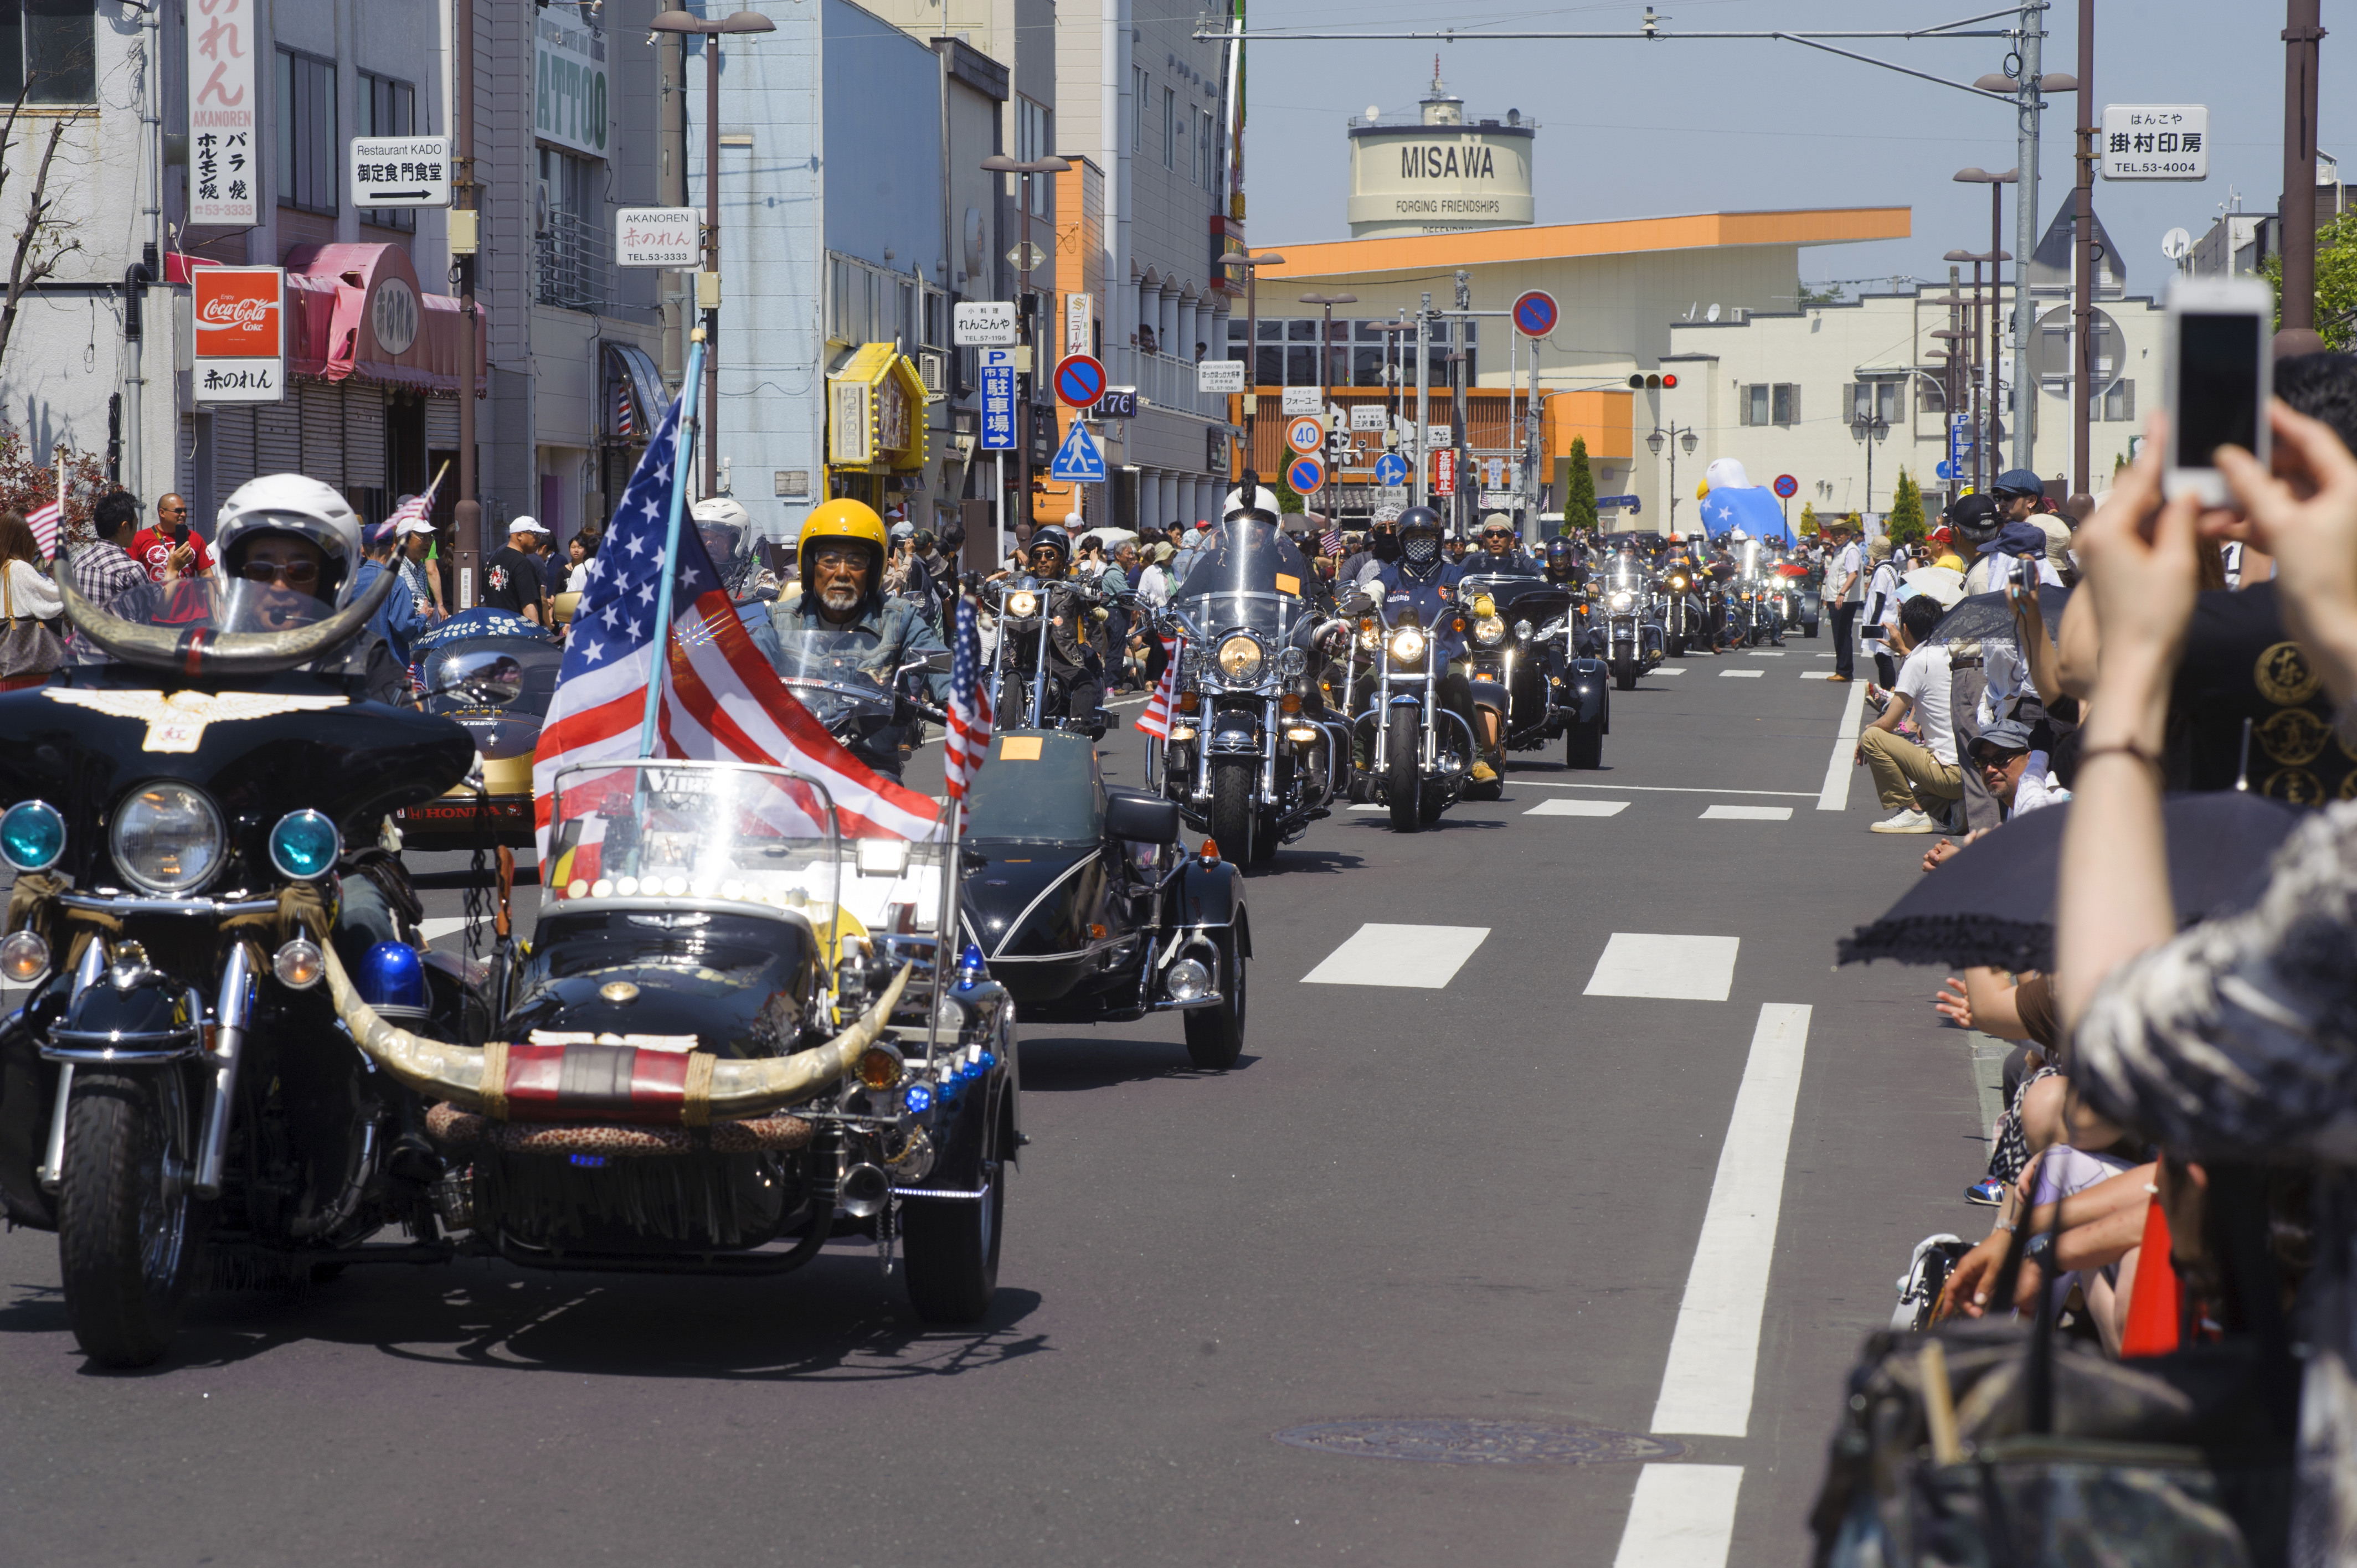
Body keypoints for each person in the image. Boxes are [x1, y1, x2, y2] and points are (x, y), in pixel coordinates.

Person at [753, 498, 951, 775]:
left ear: (872, 571)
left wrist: (958, 696)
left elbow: (942, 669)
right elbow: (739, 669)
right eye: (830, 560)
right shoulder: (781, 620)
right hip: (792, 764)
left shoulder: (899, 619)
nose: (842, 573)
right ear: (811, 566)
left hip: (870, 770)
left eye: (856, 561)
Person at [1367, 504, 1488, 784]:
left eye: (1426, 536)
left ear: (1438, 540)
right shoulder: (1391, 576)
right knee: (1366, 683)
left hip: (1445, 655)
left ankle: (1475, 757)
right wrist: (1361, 602)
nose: (1419, 543)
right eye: (1412, 537)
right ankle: (1359, 755)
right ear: (1401, 541)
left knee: (1459, 683)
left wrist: (1480, 599)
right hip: (1396, 659)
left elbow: (1470, 586)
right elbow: (1372, 591)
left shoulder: (1452, 574)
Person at [1855, 593, 1961, 833]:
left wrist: (1865, 738)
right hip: (1968, 769)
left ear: (1904, 628)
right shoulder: (1950, 652)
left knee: (1872, 738)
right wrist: (1905, 651)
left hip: (1947, 771)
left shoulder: (1917, 661)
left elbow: (1889, 723)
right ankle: (1958, 811)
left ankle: (1913, 814)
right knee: (1918, 795)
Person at [70, 489, 153, 627]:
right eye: (136, 524)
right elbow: (147, 618)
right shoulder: (131, 569)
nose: (136, 531)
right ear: (125, 527)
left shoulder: (80, 561)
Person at [0, 511, 65, 688]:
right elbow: (53, 602)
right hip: (26, 671)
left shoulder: (5, 567)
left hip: (10, 667)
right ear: (24, 539)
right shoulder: (19, 568)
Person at [351, 519, 426, 671]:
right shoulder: (396, 583)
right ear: (392, 548)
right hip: (388, 671)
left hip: (353, 667)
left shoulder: (349, 581)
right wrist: (423, 617)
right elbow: (405, 628)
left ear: (362, 550)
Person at [128, 492, 213, 584]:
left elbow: (207, 576)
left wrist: (213, 598)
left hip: (187, 598)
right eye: (178, 511)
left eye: (185, 511)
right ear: (162, 513)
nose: (184, 514)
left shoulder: (195, 538)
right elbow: (131, 576)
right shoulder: (139, 538)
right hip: (157, 597)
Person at [483, 516, 548, 623]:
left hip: (494, 627)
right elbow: (528, 605)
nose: (538, 540)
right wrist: (535, 636)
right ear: (519, 535)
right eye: (535, 535)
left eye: (540, 536)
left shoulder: (494, 560)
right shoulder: (522, 564)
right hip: (517, 632)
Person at [1826, 522, 1863, 681]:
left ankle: (1844, 671)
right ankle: (1842, 669)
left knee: (1842, 634)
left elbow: (1852, 574)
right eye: (1834, 533)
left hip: (1844, 599)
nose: (1837, 536)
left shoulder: (1851, 550)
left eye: (1840, 533)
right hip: (1837, 598)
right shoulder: (1841, 550)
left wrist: (1842, 593)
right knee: (1840, 634)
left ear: (1848, 533)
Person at [1467, 516, 1538, 575]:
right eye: (1489, 534)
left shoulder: (1526, 563)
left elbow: (1543, 586)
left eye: (1501, 534)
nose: (1495, 539)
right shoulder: (1473, 562)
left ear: (1511, 539)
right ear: (1484, 539)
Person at [563, 530, 596, 595]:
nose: (576, 550)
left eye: (580, 547)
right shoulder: (609, 567)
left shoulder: (578, 569)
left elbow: (570, 594)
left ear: (586, 550)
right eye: (573, 547)